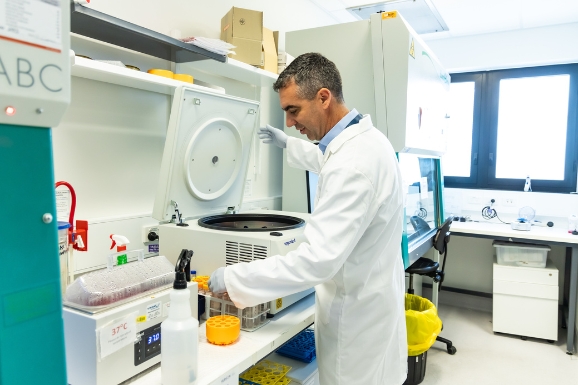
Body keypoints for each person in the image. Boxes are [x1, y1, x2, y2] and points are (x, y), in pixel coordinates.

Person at [209, 52, 407, 384]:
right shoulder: (368, 141)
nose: (289, 122)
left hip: (355, 319)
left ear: (323, 97)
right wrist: (288, 144)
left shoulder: (352, 164)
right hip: (374, 302)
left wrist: (235, 279)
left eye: (293, 110)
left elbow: (318, 261)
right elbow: (328, 160)